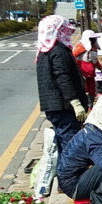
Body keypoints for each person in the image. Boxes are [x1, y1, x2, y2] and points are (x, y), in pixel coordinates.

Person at [35, 15, 89, 153]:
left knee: (62, 139)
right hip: (63, 106)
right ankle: (69, 173)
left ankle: (64, 170)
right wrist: (75, 102)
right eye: (64, 30)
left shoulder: (43, 50)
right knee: (70, 143)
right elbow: (63, 78)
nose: (67, 33)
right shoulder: (58, 51)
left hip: (53, 105)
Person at [72, 30, 102, 106]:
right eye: (91, 38)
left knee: (92, 90)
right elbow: (73, 56)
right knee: (83, 89)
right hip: (82, 73)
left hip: (91, 74)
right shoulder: (81, 47)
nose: (93, 40)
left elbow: (95, 61)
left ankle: (90, 105)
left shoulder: (94, 47)